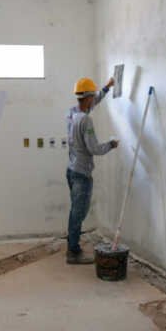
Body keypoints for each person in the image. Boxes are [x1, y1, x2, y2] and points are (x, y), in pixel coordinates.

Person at [65, 77, 118, 264]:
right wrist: (111, 144)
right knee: (79, 213)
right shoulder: (86, 120)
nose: (94, 99)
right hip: (82, 174)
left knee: (75, 211)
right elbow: (94, 149)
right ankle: (73, 252)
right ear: (87, 98)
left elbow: (93, 103)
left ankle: (72, 245)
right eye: (92, 96)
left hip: (71, 170)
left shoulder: (72, 113)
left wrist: (107, 87)